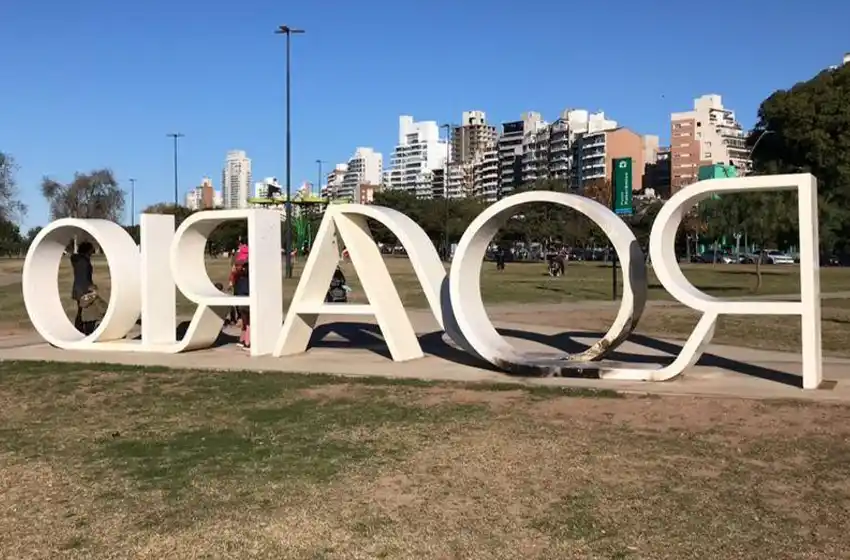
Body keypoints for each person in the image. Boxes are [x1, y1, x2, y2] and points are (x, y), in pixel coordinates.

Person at [71, 242, 95, 332]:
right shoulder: (83, 261)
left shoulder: (79, 259)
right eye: (91, 249)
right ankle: (83, 329)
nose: (93, 251)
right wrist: (90, 287)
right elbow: (84, 276)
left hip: (78, 288)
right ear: (87, 250)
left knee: (81, 310)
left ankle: (79, 328)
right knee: (88, 310)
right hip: (84, 289)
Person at [232, 254, 250, 349]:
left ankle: (242, 340)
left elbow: (236, 291)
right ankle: (247, 342)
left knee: (244, 322)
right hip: (247, 300)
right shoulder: (249, 279)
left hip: (240, 301)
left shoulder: (238, 277)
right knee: (249, 323)